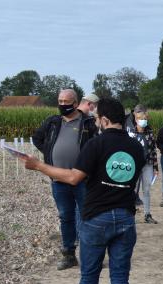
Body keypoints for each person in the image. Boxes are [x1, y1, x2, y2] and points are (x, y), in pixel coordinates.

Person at [21, 98, 146, 284]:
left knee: (89, 275)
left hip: (96, 218)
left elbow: (72, 178)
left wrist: (39, 166)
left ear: (105, 120)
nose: (96, 122)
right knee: (120, 278)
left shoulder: (95, 144)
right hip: (124, 217)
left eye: (98, 118)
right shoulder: (136, 147)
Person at [31, 88, 98, 270]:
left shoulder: (88, 123)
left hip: (82, 179)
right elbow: (37, 138)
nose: (62, 105)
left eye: (66, 102)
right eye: (60, 101)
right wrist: (50, 151)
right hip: (58, 179)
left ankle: (90, 255)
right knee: (65, 216)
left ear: (75, 103)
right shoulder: (53, 122)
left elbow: (96, 146)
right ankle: (69, 254)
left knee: (86, 216)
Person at [125, 105, 159, 224]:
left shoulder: (149, 131)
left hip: (147, 164)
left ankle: (147, 214)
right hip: (133, 165)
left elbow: (153, 150)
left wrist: (156, 167)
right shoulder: (129, 132)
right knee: (131, 189)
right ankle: (130, 214)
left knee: (147, 189)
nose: (144, 120)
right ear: (136, 118)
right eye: (141, 118)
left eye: (145, 118)